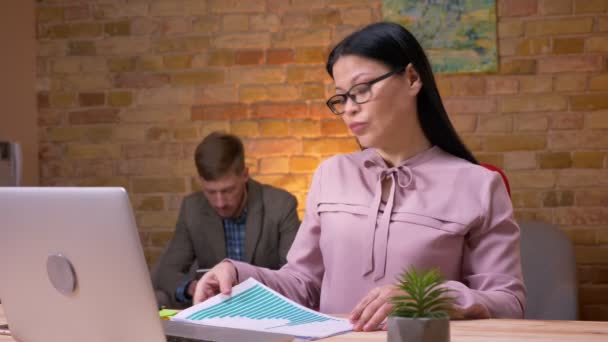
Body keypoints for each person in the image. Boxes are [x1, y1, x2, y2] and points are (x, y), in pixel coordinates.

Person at [193, 22, 526, 331]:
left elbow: (508, 302)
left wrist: (425, 298)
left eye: (362, 89)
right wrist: (237, 274)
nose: (349, 108)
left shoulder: (479, 185)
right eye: (342, 97)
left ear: (411, 79)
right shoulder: (330, 174)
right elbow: (302, 283)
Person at [152, 132, 300, 308]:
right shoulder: (192, 208)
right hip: (216, 309)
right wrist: (193, 288)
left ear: (245, 175)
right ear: (201, 182)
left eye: (228, 190)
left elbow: (294, 275)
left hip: (267, 307)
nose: (220, 203)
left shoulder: (281, 205)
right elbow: (166, 271)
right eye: (211, 192)